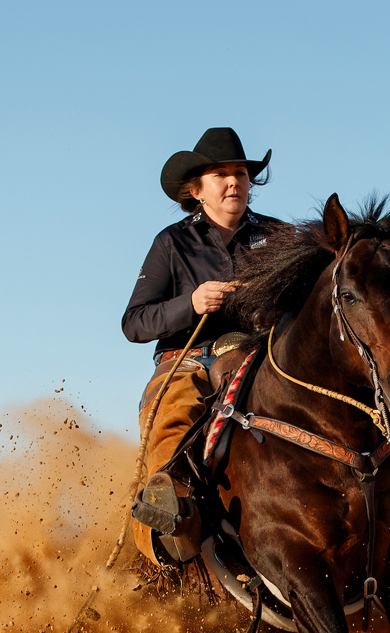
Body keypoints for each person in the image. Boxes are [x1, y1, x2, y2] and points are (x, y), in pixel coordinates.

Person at [122, 127, 281, 568]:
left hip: (263, 359)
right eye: (222, 175)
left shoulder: (283, 239)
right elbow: (134, 323)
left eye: (241, 174)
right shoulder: (171, 243)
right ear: (196, 190)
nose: (234, 182)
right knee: (170, 416)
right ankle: (167, 515)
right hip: (190, 362)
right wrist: (191, 304)